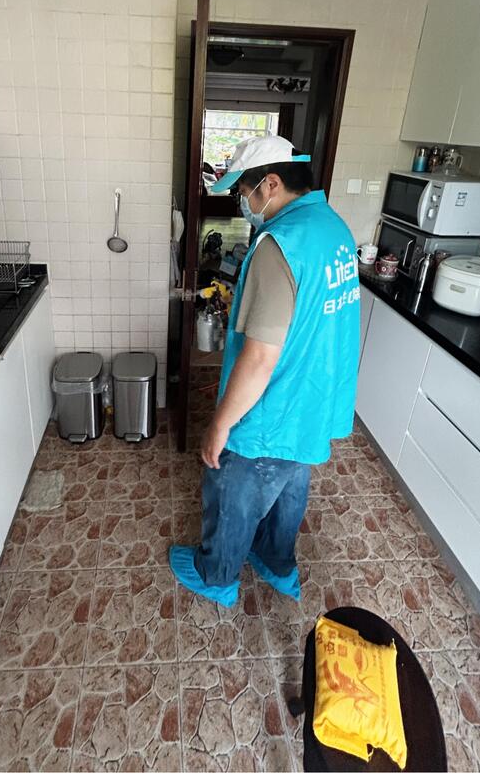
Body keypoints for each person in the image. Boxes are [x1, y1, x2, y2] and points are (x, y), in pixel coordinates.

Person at [169, 135, 361, 607]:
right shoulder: (333, 228)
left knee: (234, 487)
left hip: (273, 404)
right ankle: (276, 563)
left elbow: (259, 358)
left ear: (271, 184)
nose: (242, 202)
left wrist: (220, 424)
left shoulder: (280, 245)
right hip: (314, 396)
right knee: (290, 482)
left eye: (244, 191)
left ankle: (216, 575)